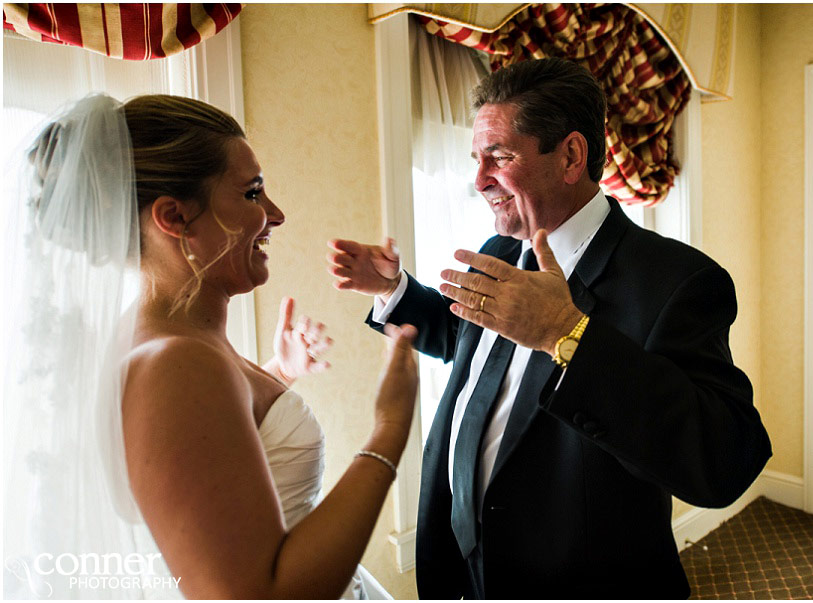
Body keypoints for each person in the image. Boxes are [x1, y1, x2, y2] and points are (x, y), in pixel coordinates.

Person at [327, 58, 772, 599]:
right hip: (468, 574)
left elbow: (724, 461)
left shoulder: (678, 281)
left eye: (500, 156)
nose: (479, 180)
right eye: (476, 159)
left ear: (570, 156)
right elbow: (465, 341)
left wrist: (568, 334)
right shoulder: (499, 251)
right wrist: (395, 291)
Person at [3, 94, 419, 599]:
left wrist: (274, 379)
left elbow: (206, 461)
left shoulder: (164, 341)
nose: (276, 214)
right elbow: (258, 594)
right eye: (252, 194)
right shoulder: (177, 363)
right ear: (174, 217)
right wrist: (390, 429)